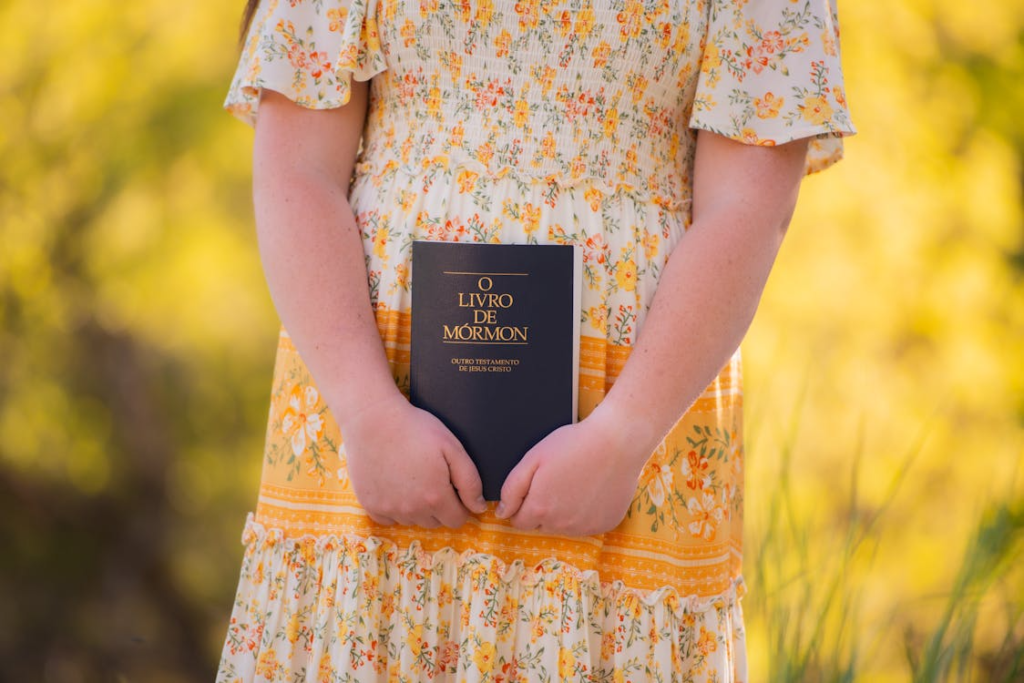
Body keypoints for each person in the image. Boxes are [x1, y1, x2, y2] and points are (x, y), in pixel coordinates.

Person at [216, 0, 854, 680]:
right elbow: (296, 169)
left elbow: (749, 209)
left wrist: (624, 433)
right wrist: (365, 409)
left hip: (632, 427)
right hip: (367, 413)